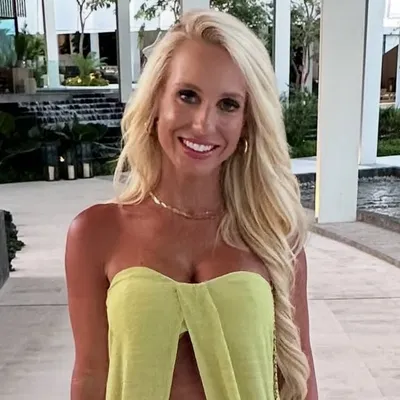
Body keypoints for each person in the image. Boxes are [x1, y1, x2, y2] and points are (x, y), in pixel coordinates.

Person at [65, 9, 318, 400]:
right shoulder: (96, 233)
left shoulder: (275, 237)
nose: (203, 124)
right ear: (156, 101)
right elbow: (89, 377)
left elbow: (301, 378)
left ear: (247, 122)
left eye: (228, 104)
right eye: (188, 96)